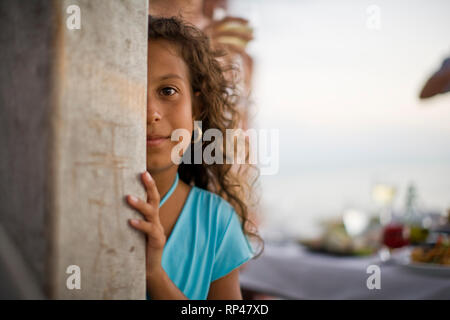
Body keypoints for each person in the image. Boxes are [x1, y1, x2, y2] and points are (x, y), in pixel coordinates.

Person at [124, 16, 264, 300]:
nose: (150, 112)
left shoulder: (217, 223)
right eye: (132, 93)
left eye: (168, 91)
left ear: (196, 107)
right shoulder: (89, 204)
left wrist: (154, 274)